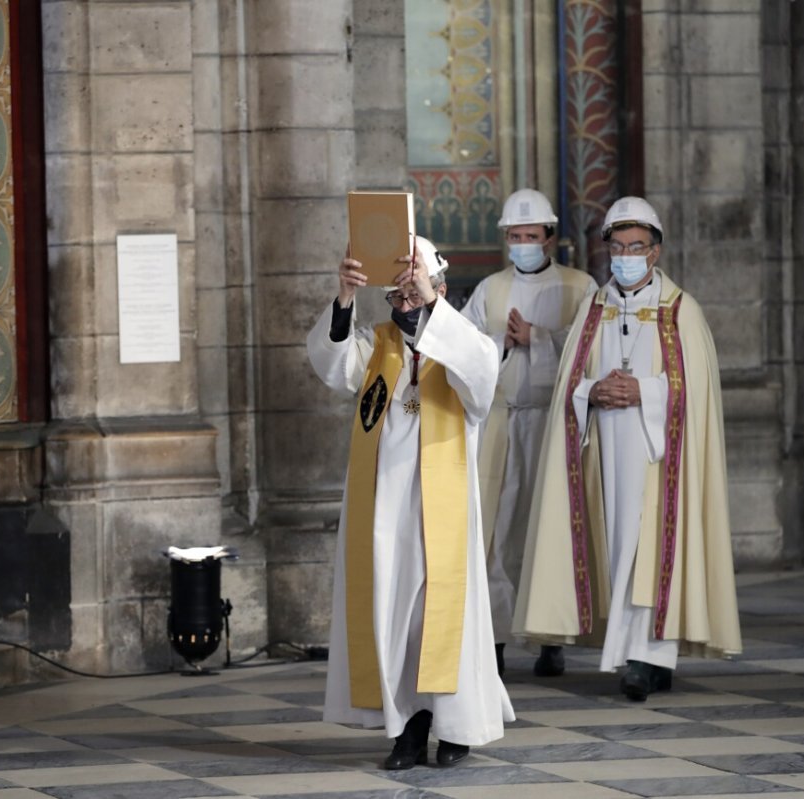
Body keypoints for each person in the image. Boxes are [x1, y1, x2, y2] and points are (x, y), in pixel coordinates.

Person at [513, 196, 742, 701]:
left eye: (636, 247)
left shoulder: (682, 310)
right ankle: (640, 656)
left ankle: (646, 658)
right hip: (602, 455)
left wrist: (646, 391)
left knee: (651, 547)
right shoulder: (593, 309)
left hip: (658, 456)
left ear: (655, 253)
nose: (625, 256)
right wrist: (592, 391)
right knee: (618, 550)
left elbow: (697, 391)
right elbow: (571, 380)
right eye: (617, 247)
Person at [308, 235, 514, 769]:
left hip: (440, 516)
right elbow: (332, 366)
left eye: (413, 295)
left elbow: (483, 373)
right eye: (397, 298)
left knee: (439, 619)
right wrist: (346, 298)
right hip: (386, 516)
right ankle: (407, 729)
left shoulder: (463, 345)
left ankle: (455, 729)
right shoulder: (378, 347)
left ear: (438, 290)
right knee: (397, 617)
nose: (404, 307)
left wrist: (432, 306)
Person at [460, 188, 595, 678]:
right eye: (514, 237)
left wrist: (536, 338)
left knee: (548, 528)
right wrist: (505, 341)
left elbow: (589, 352)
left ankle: (550, 638)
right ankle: (493, 639)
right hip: (500, 419)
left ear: (550, 238)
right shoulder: (490, 289)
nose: (521, 244)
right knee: (496, 532)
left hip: (553, 420)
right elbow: (467, 347)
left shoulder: (581, 287)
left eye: (530, 236)